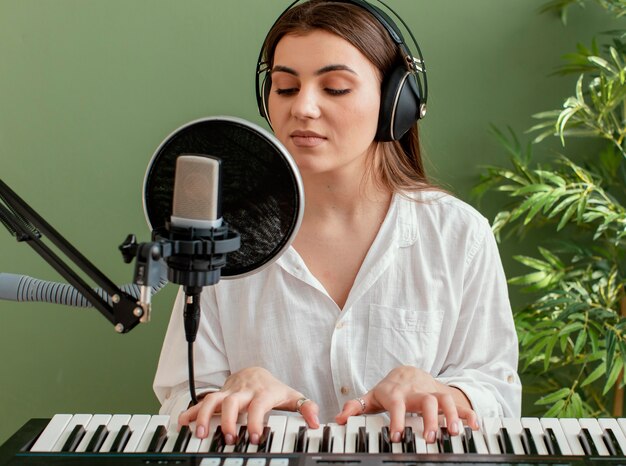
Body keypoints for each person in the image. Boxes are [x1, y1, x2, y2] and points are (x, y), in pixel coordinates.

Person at [154, 0, 521, 447]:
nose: (304, 108)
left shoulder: (458, 235)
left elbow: (497, 395)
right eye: (286, 88)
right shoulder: (223, 236)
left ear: (395, 104)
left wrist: (450, 393)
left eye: (335, 88)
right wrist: (230, 392)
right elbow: (178, 399)